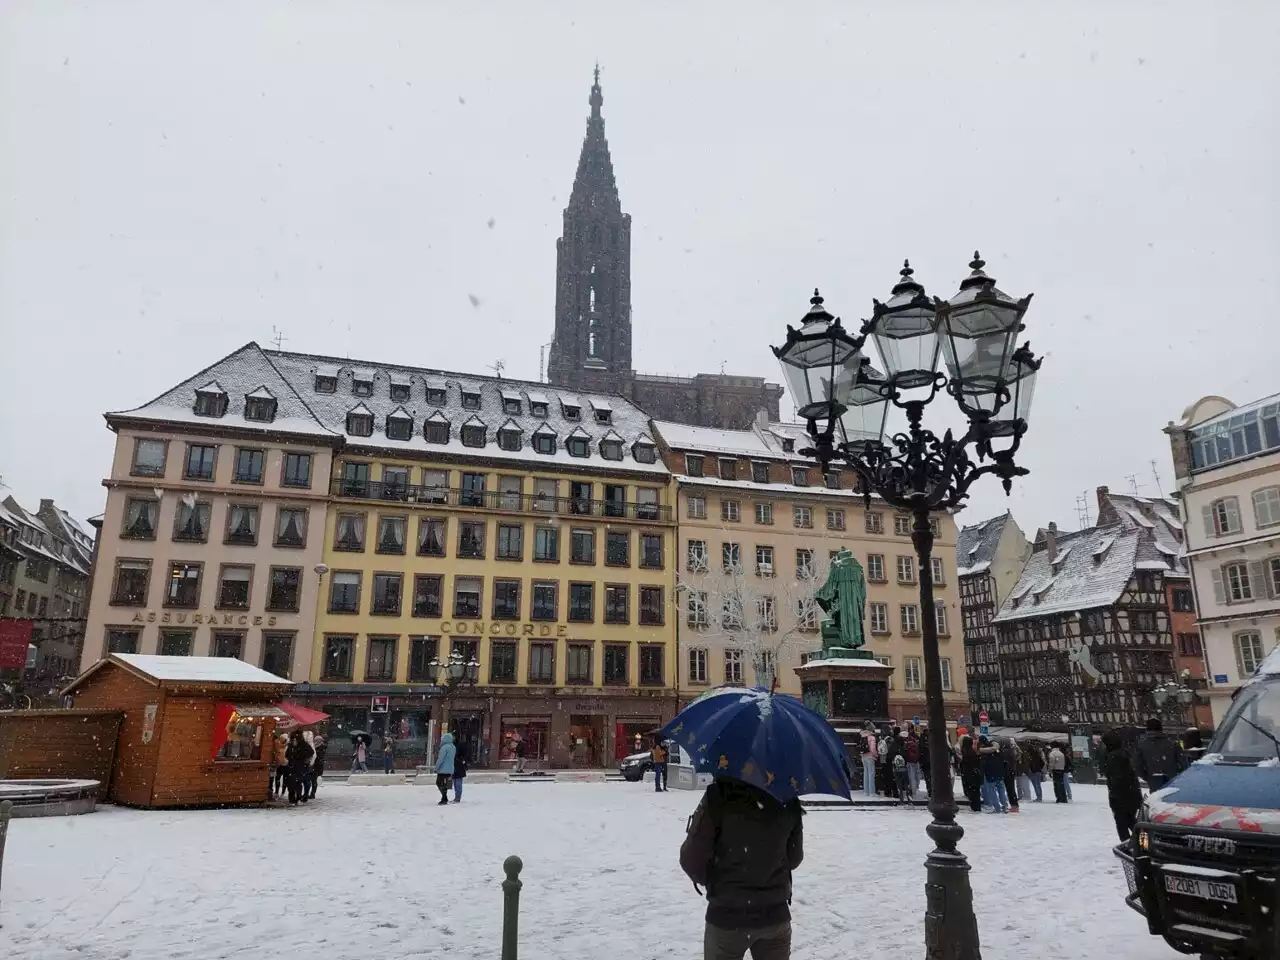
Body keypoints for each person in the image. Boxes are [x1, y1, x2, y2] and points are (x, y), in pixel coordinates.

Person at [680, 777, 804, 960]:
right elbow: (794, 858)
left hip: (726, 918)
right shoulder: (788, 798)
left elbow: (691, 859)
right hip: (775, 915)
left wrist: (717, 882)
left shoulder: (719, 796)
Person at [1101, 729, 1143, 842]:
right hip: (1132, 793)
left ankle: (1127, 845)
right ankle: (1143, 842)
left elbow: (1116, 779)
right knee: (1131, 821)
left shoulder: (1113, 757)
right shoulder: (1124, 753)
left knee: (1121, 823)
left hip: (1121, 796)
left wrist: (1114, 797)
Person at [1134, 717, 1182, 791]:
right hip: (1172, 780)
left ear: (1147, 729)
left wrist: (1147, 777)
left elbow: (1137, 765)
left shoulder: (1141, 745)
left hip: (1153, 780)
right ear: (1161, 729)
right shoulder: (1172, 743)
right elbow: (1183, 762)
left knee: (1157, 801)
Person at [978, 736, 1010, 813]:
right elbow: (1003, 761)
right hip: (1000, 773)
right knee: (1001, 790)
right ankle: (1005, 806)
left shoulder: (983, 752)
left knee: (992, 791)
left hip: (990, 774)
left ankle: (997, 808)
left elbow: (983, 764)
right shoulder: (998, 750)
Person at [285, 729, 314, 805]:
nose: (294, 739)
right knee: (294, 783)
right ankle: (294, 798)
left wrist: (305, 759)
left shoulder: (302, 744)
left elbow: (311, 752)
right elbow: (287, 754)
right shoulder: (293, 745)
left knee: (295, 782)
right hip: (295, 766)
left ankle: (296, 798)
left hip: (298, 765)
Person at [959, 735, 983, 813]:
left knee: (973, 792)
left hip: (970, 775)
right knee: (975, 792)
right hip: (973, 774)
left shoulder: (966, 752)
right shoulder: (971, 751)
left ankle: (975, 807)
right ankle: (976, 806)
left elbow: (966, 763)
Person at [435, 732, 456, 806]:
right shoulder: (453, 747)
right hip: (450, 769)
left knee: (439, 783)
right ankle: (444, 797)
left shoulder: (444, 747)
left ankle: (444, 798)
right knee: (447, 784)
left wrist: (436, 767)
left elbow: (441, 759)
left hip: (443, 769)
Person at [1001, 738, 1021, 813]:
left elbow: (1004, 762)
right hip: (1012, 771)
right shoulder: (1013, 751)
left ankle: (1014, 806)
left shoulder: (1006, 751)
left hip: (1008, 772)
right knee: (1011, 789)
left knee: (1010, 789)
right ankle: (1014, 805)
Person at [307, 734, 326, 800]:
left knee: (313, 780)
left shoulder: (321, 747)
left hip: (317, 766)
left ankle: (312, 794)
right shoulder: (314, 746)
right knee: (312, 780)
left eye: (316, 740)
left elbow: (319, 758)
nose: (315, 741)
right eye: (315, 740)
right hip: (314, 766)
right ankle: (311, 793)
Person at [860, 729, 878, 798]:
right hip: (870, 757)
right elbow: (872, 748)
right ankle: (872, 792)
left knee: (865, 774)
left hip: (863, 756)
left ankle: (866, 791)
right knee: (871, 774)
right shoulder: (872, 738)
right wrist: (876, 755)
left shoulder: (862, 736)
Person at [904, 730, 922, 800]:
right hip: (916, 761)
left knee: (911, 777)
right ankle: (916, 788)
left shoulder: (908, 743)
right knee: (916, 775)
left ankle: (913, 791)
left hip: (909, 761)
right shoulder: (916, 742)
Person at [271, 732, 289, 799]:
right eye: (281, 738)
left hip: (286, 764)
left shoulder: (288, 746)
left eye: (283, 739)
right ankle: (276, 792)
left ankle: (283, 792)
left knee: (285, 779)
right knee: (277, 778)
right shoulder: (278, 745)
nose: (281, 740)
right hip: (279, 764)